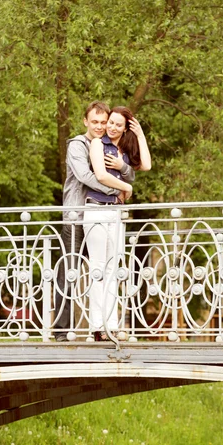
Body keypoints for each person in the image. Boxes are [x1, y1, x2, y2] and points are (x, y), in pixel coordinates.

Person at [53, 101, 135, 342]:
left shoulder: (110, 146)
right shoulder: (78, 145)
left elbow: (130, 170)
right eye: (95, 122)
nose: (100, 126)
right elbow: (87, 176)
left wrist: (123, 172)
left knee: (106, 270)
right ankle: (61, 330)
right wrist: (116, 191)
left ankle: (104, 325)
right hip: (77, 214)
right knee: (69, 271)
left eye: (103, 122)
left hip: (102, 215)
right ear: (85, 121)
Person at [83, 106, 151, 341]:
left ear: (125, 128)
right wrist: (127, 187)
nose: (111, 127)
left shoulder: (124, 149)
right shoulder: (97, 144)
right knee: (98, 269)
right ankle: (96, 326)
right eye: (110, 122)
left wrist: (140, 134)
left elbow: (146, 165)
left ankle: (111, 324)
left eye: (117, 125)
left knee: (113, 269)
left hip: (115, 213)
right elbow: (101, 175)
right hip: (96, 209)